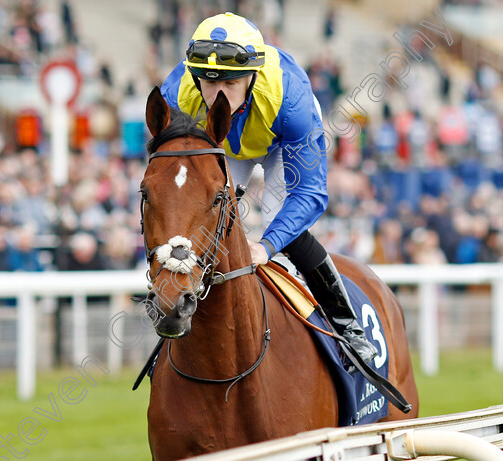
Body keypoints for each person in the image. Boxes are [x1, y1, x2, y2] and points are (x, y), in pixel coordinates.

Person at [160, 12, 377, 363]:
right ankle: (179, 312)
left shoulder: (291, 101)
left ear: (252, 75)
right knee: (206, 216)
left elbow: (311, 195)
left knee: (282, 222)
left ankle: (347, 325)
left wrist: (266, 245)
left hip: (281, 140)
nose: (217, 95)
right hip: (225, 141)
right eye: (208, 82)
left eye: (230, 84)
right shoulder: (176, 95)